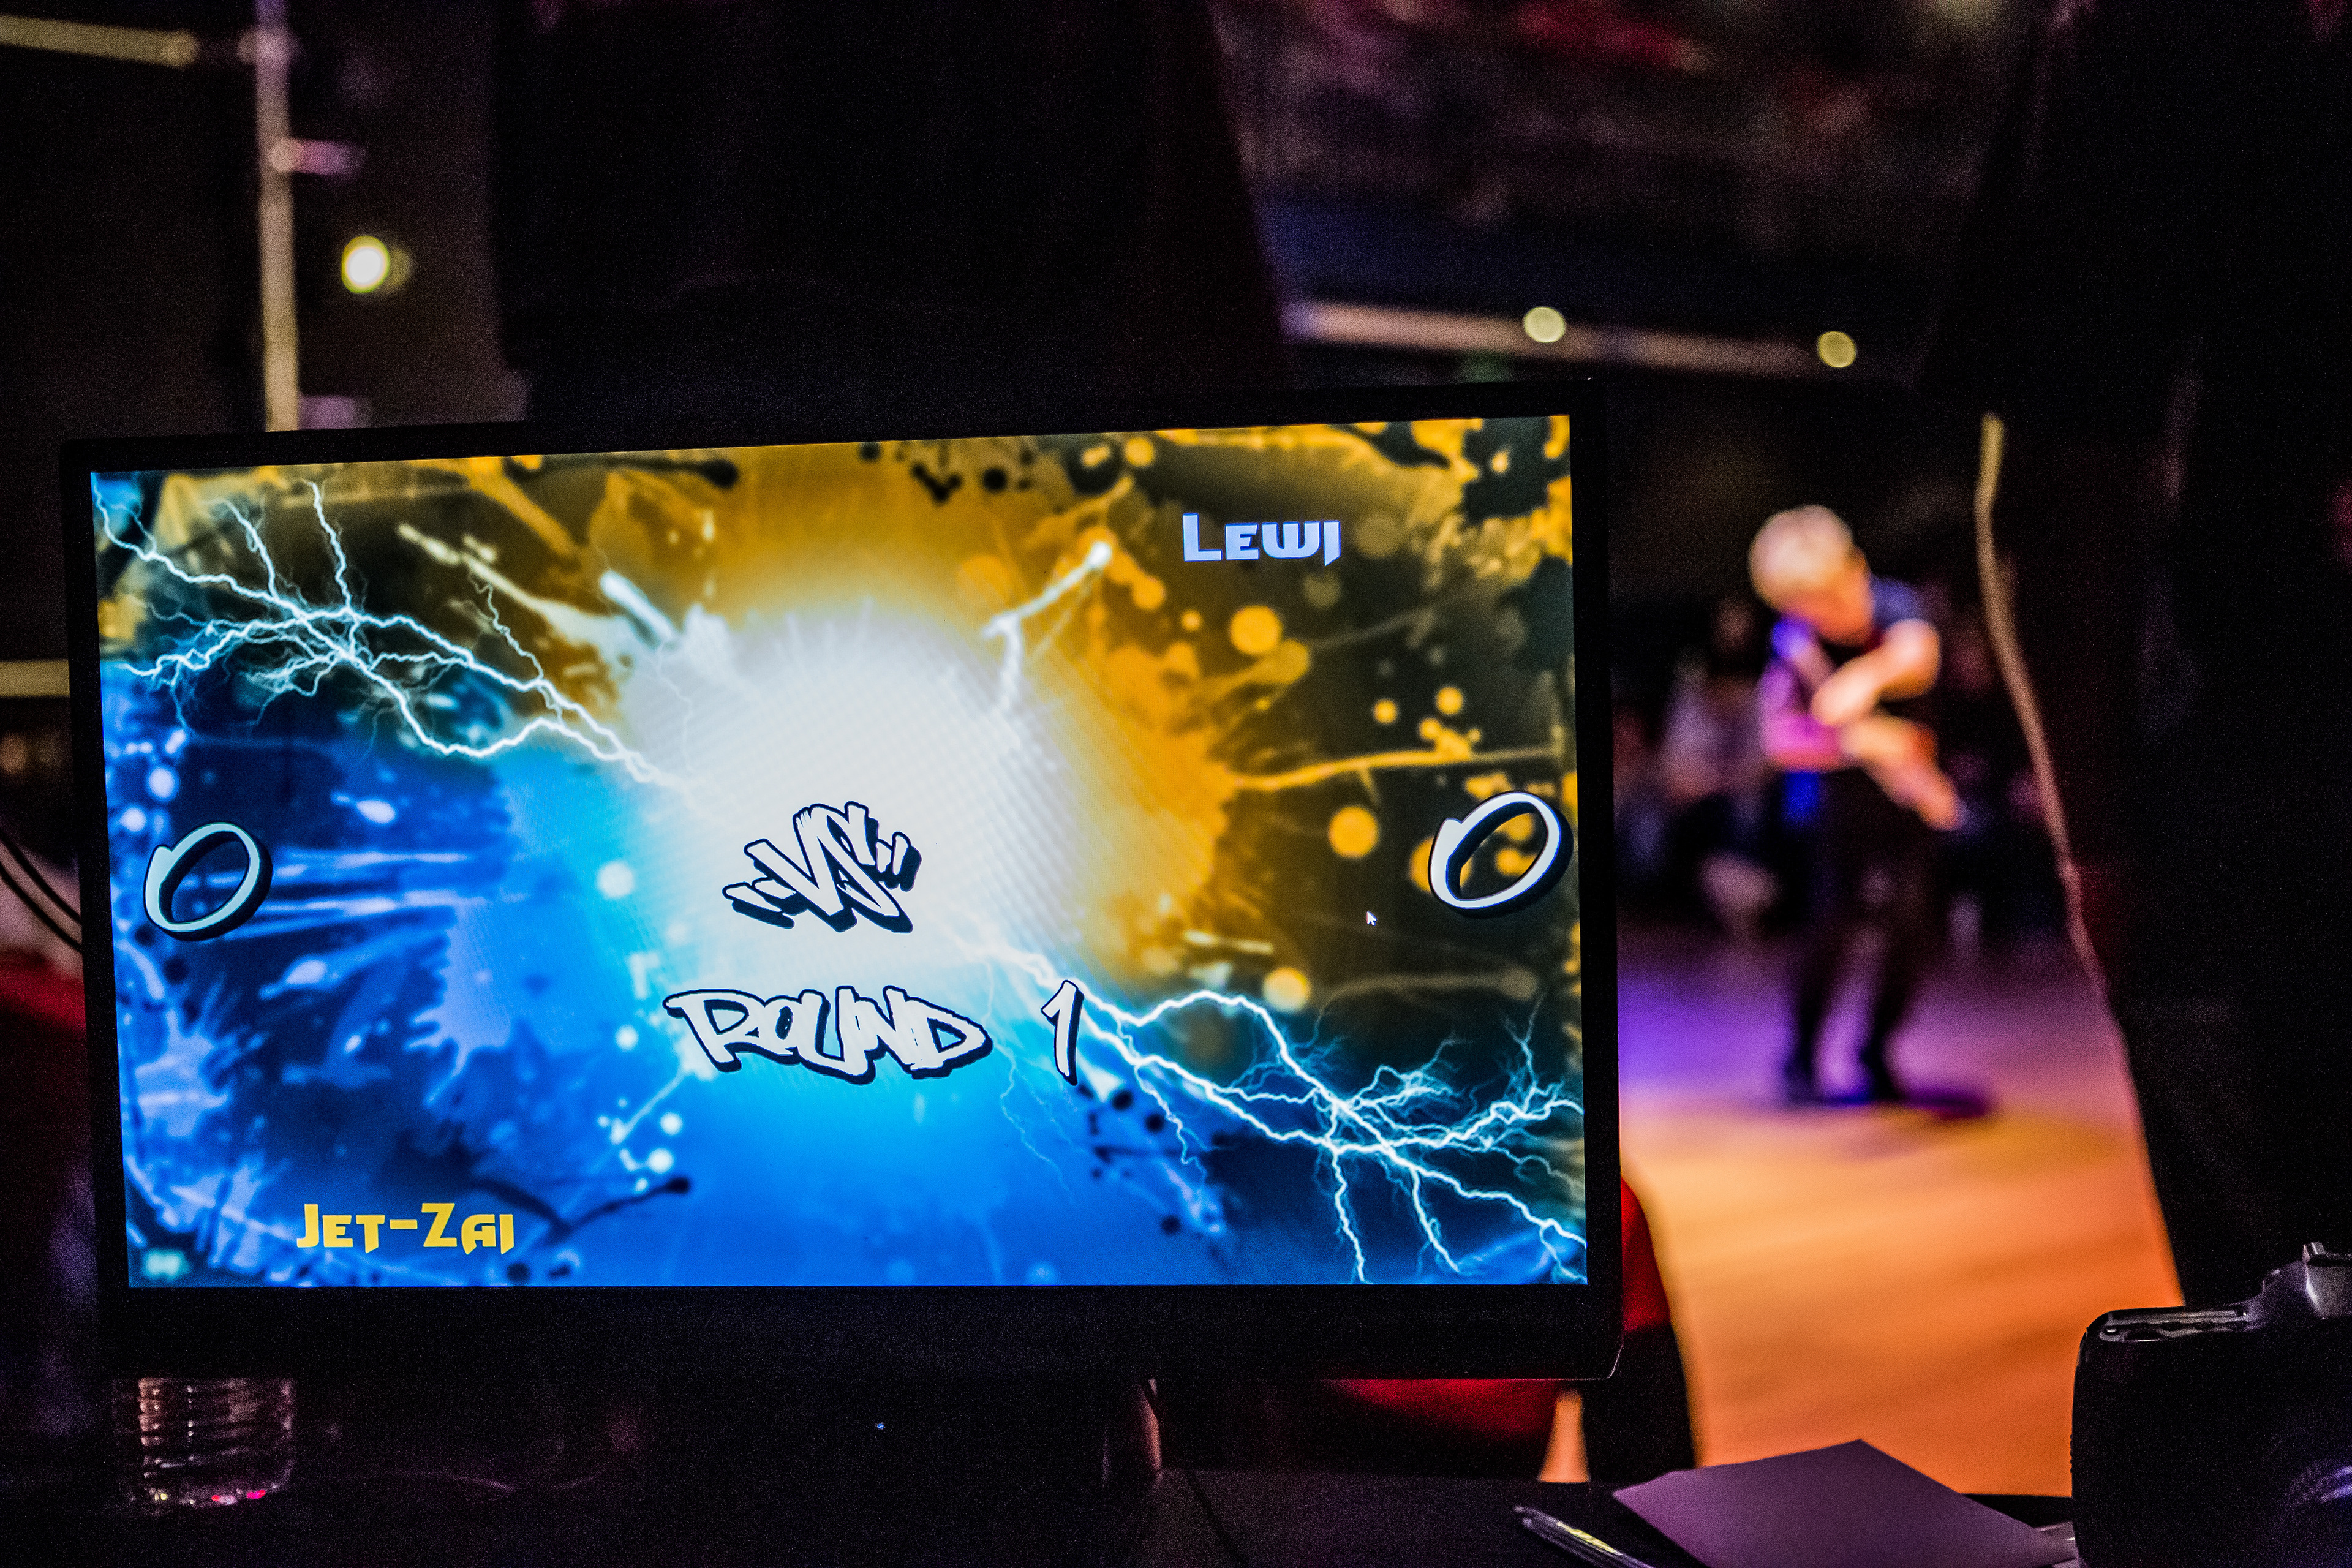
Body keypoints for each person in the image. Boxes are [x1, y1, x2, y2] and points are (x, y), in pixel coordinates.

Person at [1927, 0, 2352, 1306]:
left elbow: (2050, 491)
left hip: (2280, 818)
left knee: (2288, 1355)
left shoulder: (2139, 31)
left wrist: (2099, 847)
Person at [1750, 506, 1956, 1105]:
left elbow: (1919, 657)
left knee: (1911, 927)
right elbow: (1779, 740)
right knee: (1829, 926)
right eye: (1807, 606)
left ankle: (1878, 1050)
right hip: (1838, 809)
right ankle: (1802, 1055)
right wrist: (1856, 743)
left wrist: (1862, 680)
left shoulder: (1897, 607)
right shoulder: (1796, 644)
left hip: (1909, 804)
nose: (1824, 613)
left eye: (1831, 596)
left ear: (1855, 567)